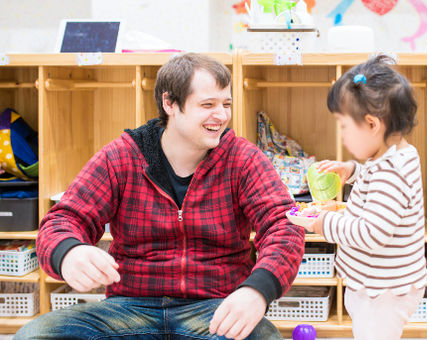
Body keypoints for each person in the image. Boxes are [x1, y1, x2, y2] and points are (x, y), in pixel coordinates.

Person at [15, 53, 305, 340]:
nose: (221, 115)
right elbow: (62, 220)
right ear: (170, 103)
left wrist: (257, 291)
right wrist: (68, 252)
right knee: (35, 335)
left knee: (262, 336)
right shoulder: (122, 156)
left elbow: (284, 225)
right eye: (207, 104)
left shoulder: (243, 158)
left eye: (226, 104)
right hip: (128, 309)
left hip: (215, 310)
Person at [307, 55, 427, 340]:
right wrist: (353, 171)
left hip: (384, 291)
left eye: (344, 126)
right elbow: (379, 184)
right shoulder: (395, 155)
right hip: (380, 285)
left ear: (373, 124)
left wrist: (323, 222)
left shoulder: (390, 171)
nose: (342, 135)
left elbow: (371, 233)